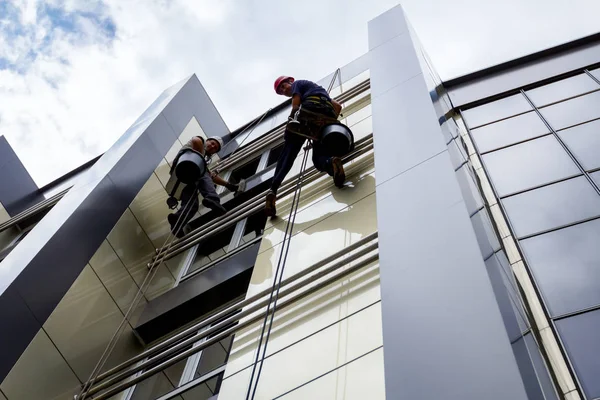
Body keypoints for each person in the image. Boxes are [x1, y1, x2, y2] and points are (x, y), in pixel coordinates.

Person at [265, 76, 346, 217]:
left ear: (290, 82)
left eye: (284, 86)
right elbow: (337, 106)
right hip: (325, 116)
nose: (285, 91)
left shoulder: (298, 84)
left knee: (289, 150)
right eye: (282, 91)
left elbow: (296, 105)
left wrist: (291, 120)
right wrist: (329, 122)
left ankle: (273, 188)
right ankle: (332, 163)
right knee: (318, 159)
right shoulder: (320, 91)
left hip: (309, 109)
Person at [168, 136, 242, 238]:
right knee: (204, 174)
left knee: (192, 205)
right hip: (186, 167)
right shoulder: (200, 142)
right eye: (211, 143)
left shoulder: (201, 162)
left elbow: (211, 177)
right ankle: (212, 200)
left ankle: (177, 221)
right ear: (207, 141)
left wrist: (229, 185)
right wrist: (203, 161)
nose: (212, 147)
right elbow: (196, 140)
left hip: (184, 179)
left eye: (215, 148)